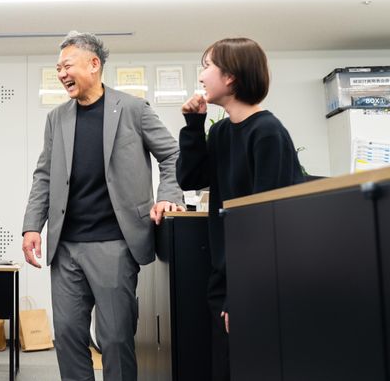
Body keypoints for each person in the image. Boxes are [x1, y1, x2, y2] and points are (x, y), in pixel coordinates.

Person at [22, 31, 184, 381]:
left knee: (114, 340)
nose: (61, 74)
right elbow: (44, 175)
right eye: (58, 68)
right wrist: (32, 225)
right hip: (65, 247)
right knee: (67, 336)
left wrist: (169, 195)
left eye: (67, 66)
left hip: (115, 243)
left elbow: (173, 155)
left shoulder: (133, 109)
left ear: (93, 64)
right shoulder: (57, 119)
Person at [176, 37, 304, 381]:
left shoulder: (267, 132)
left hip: (257, 281)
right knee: (225, 367)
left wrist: (243, 294)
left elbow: (268, 223)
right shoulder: (221, 132)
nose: (201, 75)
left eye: (206, 66)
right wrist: (193, 125)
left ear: (230, 76)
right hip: (227, 277)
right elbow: (190, 179)